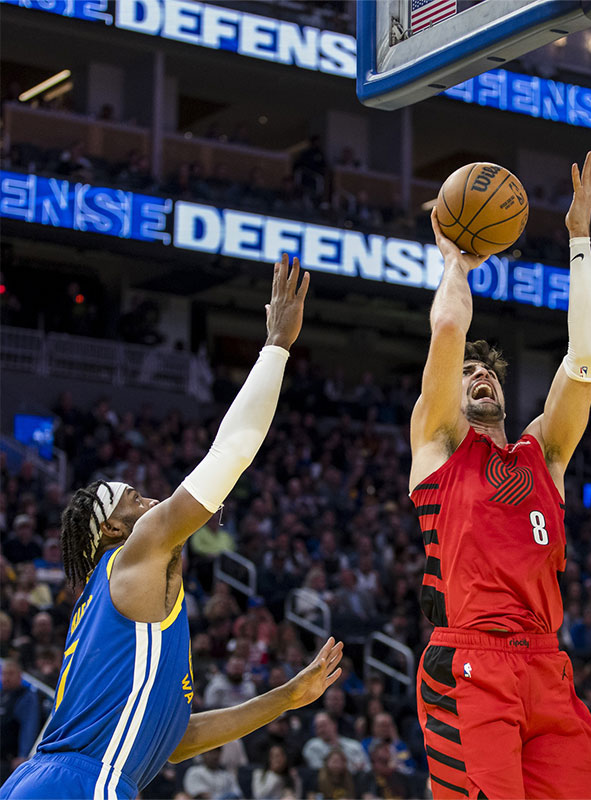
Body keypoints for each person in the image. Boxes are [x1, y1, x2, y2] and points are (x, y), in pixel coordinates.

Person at [0, 258, 344, 800]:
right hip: (82, 783)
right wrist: (277, 345)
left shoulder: (124, 608)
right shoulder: (134, 556)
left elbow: (173, 740)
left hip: (67, 779)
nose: (152, 497)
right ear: (113, 531)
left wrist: (284, 697)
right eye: (134, 499)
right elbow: (230, 453)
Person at [407, 149, 591, 798]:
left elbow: (585, 358)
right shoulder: (439, 444)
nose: (478, 376)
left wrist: (580, 239)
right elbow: (449, 324)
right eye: (468, 373)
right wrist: (455, 261)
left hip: (545, 663)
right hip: (469, 659)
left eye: (488, 372)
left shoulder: (543, 455)